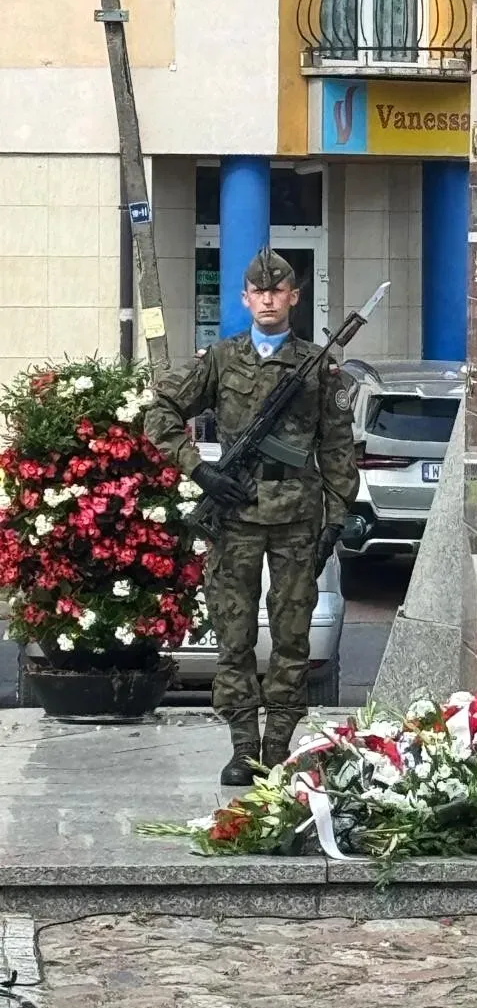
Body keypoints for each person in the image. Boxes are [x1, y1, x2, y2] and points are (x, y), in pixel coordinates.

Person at [145, 248, 358, 785]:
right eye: (258, 291)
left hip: (296, 519)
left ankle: (279, 746)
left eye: (277, 290)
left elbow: (335, 446)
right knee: (234, 634)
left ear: (293, 298)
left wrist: (338, 514)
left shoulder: (317, 366)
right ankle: (243, 748)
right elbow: (160, 414)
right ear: (244, 299)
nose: (267, 298)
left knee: (291, 636)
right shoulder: (220, 359)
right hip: (235, 515)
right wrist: (199, 470)